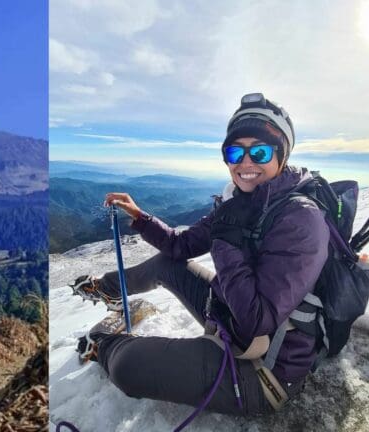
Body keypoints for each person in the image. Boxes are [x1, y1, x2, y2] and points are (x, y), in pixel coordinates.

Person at [71, 93, 329, 416]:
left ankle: (103, 345)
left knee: (127, 368)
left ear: (282, 155)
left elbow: (257, 320)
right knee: (168, 263)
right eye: (235, 151)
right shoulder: (240, 204)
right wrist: (140, 217)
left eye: (260, 151)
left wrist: (225, 239)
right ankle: (108, 288)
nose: (245, 163)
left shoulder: (300, 220)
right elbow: (181, 246)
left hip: (263, 371)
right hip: (227, 315)